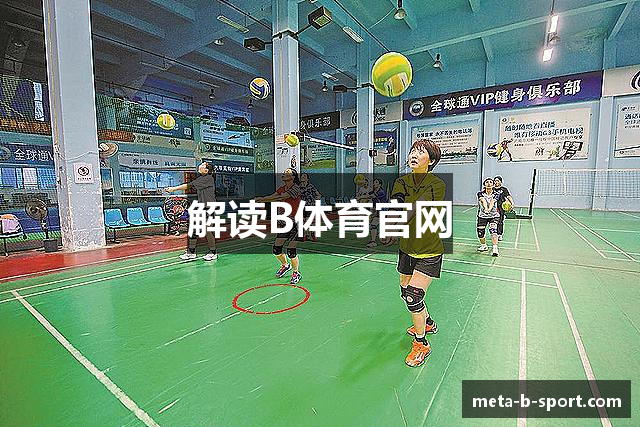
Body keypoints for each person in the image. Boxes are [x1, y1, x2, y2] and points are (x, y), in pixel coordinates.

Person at [384, 139, 445, 368]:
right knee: (405, 291)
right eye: (412, 150)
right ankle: (427, 322)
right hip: (407, 248)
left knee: (413, 296)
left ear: (432, 160)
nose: (414, 154)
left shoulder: (437, 184)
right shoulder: (401, 182)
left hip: (428, 250)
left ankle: (421, 344)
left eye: (421, 151)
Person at [255, 168, 303, 284]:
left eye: (287, 173)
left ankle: (296, 272)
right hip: (284, 223)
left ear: (293, 177)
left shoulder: (296, 188)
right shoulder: (282, 188)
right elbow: (274, 195)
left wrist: (261, 200)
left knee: (291, 251)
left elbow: (281, 197)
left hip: (296, 223)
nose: (284, 174)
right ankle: (285, 265)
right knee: (276, 249)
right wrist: (262, 199)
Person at [165, 161, 218, 261]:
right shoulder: (202, 178)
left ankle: (213, 252)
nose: (200, 166)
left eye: (202, 165)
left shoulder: (208, 179)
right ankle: (191, 252)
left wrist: (173, 189)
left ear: (206, 170)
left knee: (207, 230)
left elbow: (189, 185)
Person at [477, 177, 500, 257]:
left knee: (493, 230)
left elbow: (493, 202)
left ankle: (495, 249)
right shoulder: (480, 193)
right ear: (484, 184)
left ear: (493, 185)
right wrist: (485, 208)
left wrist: (489, 209)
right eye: (487, 182)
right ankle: (484, 245)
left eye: (491, 182)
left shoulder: (496, 194)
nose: (489, 183)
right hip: (482, 216)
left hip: (493, 216)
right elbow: (483, 200)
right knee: (480, 233)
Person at [366, 178, 388, 248]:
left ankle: (374, 241)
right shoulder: (373, 192)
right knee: (374, 225)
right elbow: (368, 195)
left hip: (383, 210)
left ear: (380, 184)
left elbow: (369, 196)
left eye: (376, 182)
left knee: (375, 225)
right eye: (373, 182)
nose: (374, 183)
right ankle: (374, 241)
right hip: (378, 211)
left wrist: (360, 197)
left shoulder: (381, 192)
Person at [300, 173, 322, 242]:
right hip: (302, 206)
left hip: (310, 205)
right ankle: (306, 235)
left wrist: (316, 199)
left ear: (307, 179)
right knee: (303, 221)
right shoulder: (299, 187)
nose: (302, 177)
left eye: (304, 176)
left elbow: (318, 194)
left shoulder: (310, 186)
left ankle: (312, 234)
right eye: (302, 176)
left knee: (308, 221)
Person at [493, 176, 514, 241]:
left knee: (500, 221)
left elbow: (508, 196)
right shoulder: (491, 188)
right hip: (492, 207)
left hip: (500, 207)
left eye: (498, 180)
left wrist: (512, 203)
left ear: (501, 182)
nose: (496, 182)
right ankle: (494, 234)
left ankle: (499, 234)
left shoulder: (504, 189)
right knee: (492, 221)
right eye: (495, 181)